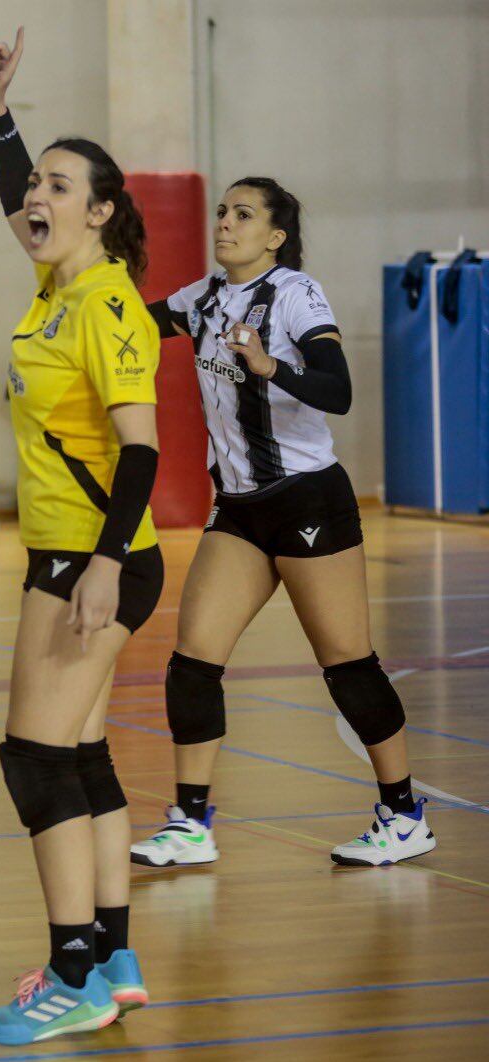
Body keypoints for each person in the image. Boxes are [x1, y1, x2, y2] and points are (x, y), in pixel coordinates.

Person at [128, 178, 437, 869]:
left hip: (307, 501)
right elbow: (130, 322)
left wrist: (270, 367)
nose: (225, 223)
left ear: (273, 236)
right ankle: (191, 822)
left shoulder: (296, 294)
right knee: (192, 661)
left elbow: (340, 390)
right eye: (222, 211)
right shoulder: (201, 299)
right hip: (240, 509)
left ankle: (404, 813)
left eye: (243, 214)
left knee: (347, 665)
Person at [0, 29, 162, 1046]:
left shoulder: (106, 304)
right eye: (34, 180)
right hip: (71, 553)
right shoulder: (56, 281)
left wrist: (98, 566)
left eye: (57, 183)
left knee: (32, 757)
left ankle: (75, 969)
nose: (34, 196)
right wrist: (0, 113)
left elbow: (143, 453)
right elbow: (20, 204)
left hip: (95, 559)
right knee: (80, 754)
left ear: (99, 210)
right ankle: (117, 954)